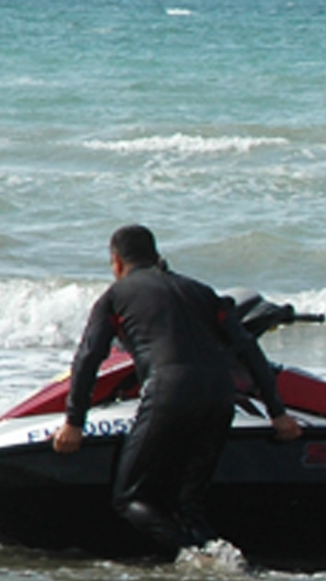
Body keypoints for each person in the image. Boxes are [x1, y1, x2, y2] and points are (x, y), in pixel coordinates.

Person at [52, 225, 303, 552]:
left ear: (116, 263)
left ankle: (200, 561)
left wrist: (74, 422)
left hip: (169, 393)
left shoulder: (115, 297)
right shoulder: (201, 291)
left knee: (130, 498)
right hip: (220, 395)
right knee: (190, 506)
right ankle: (224, 559)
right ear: (157, 257)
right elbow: (248, 350)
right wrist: (278, 414)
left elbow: (88, 359)